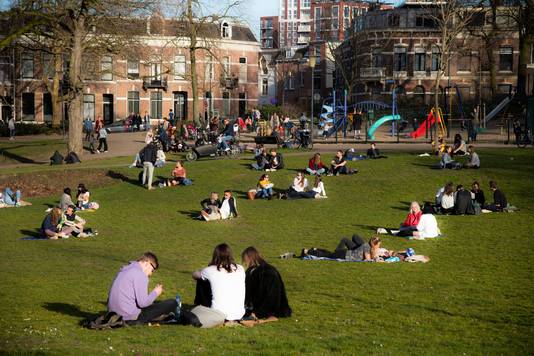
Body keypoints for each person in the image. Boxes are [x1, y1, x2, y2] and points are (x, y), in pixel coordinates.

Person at [108, 252, 178, 324]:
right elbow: (143, 303)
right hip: (129, 317)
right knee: (172, 302)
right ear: (147, 263)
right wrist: (156, 292)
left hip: (112, 314)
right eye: (152, 270)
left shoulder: (124, 270)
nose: (151, 274)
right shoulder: (141, 274)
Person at [192, 244, 246, 321]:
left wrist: (203, 271)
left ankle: (200, 305)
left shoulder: (210, 270)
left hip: (218, 314)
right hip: (239, 314)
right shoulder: (240, 268)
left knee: (202, 280)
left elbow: (194, 275)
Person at [241, 247, 292, 322]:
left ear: (249, 258)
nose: (245, 262)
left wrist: (258, 312)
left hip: (270, 305)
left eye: (245, 259)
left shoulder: (267, 272)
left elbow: (272, 294)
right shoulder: (252, 271)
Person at [301, 236, 383, 262]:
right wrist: (377, 260)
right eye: (378, 245)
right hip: (345, 255)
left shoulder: (367, 247)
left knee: (329, 254)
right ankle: (307, 251)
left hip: (345, 254)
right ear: (374, 244)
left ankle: (314, 249)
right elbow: (368, 259)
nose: (378, 247)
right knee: (327, 255)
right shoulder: (366, 246)